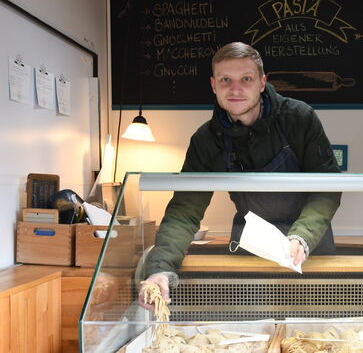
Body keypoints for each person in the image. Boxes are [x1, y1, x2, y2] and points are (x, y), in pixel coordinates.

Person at [138, 42, 341, 310]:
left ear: (261, 82)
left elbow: (328, 187)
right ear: (213, 84)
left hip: (309, 248)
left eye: (246, 79)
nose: (235, 90)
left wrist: (302, 236)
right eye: (226, 80)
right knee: (252, 328)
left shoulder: (299, 118)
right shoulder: (206, 140)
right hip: (249, 251)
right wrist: (160, 270)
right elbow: (184, 211)